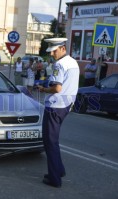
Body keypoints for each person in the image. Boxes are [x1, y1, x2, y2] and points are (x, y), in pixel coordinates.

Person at [37, 38, 80, 188]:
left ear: (63, 48)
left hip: (55, 106)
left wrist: (43, 90)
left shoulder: (59, 64)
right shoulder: (73, 62)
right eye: (51, 51)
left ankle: (54, 179)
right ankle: (58, 170)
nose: (53, 54)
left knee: (50, 142)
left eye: (55, 51)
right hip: (66, 105)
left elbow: (57, 88)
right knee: (53, 141)